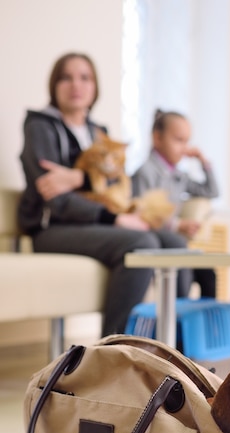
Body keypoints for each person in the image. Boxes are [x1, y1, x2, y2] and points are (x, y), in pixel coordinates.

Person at [18, 53, 192, 337]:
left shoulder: (100, 133)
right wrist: (113, 216)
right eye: (66, 77)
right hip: (53, 227)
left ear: (95, 86)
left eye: (85, 77)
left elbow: (116, 182)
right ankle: (113, 349)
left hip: (93, 222)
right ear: (54, 85)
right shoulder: (40, 127)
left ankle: (176, 342)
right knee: (141, 242)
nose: (76, 84)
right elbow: (55, 198)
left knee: (175, 242)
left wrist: (79, 177)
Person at [132, 109, 219, 298]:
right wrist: (177, 225)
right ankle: (177, 316)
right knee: (178, 248)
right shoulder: (146, 172)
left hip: (172, 239)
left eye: (187, 141)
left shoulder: (179, 175)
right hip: (154, 237)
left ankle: (204, 323)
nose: (184, 147)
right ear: (157, 138)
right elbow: (142, 215)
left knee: (207, 272)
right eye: (179, 140)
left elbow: (212, 192)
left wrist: (203, 162)